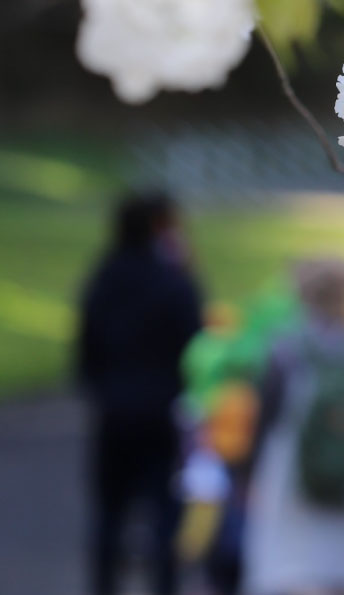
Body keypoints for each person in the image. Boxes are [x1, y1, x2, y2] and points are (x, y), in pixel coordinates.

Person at [243, 258, 344, 595]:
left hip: (292, 472)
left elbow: (265, 414)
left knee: (295, 568)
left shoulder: (285, 347)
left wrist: (248, 470)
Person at [77, 190, 203, 595]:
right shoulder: (172, 281)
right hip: (163, 410)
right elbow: (196, 345)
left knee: (110, 514)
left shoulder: (104, 277)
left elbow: (86, 349)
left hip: (114, 410)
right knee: (164, 514)